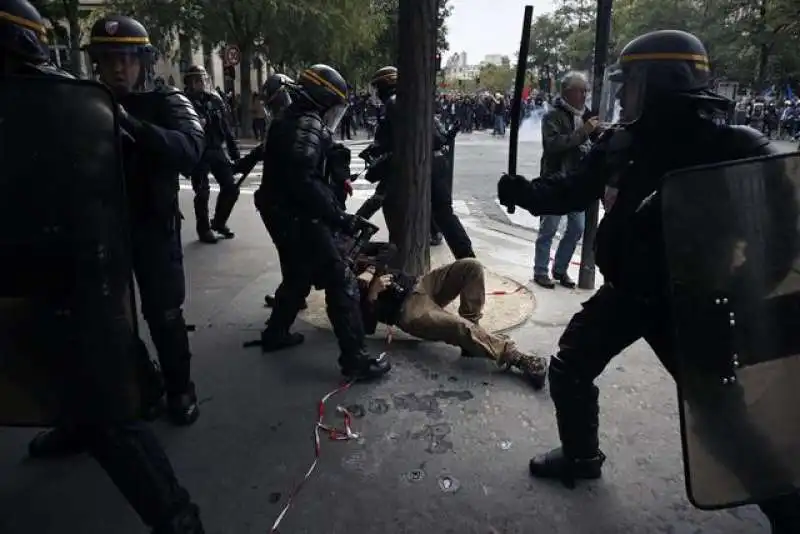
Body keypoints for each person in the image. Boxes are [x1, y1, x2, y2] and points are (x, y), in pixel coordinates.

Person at [497, 29, 800, 532]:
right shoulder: (621, 143)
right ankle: (581, 458)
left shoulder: (735, 146)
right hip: (629, 293)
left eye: (632, 81)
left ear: (660, 82)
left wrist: (749, 286)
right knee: (571, 367)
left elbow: (785, 229)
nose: (624, 94)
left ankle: (789, 512)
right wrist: (525, 192)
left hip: (694, 301)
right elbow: (573, 188)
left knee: (722, 416)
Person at [0, 3, 205, 532]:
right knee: (100, 328)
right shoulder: (66, 100)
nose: (117, 68)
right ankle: (123, 396)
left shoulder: (167, 101)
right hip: (92, 236)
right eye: (107, 58)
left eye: (127, 59)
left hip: (150, 228)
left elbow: (189, 149)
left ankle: (180, 388)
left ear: (144, 62)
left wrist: (131, 125)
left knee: (163, 312)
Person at [249, 64, 391, 381]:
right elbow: (304, 181)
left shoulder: (287, 117)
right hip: (301, 217)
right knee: (340, 280)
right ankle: (355, 360)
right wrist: (338, 217)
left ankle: (276, 333)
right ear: (323, 99)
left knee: (298, 275)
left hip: (281, 214)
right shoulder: (308, 123)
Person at [356, 253, 547, 388]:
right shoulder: (340, 278)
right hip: (407, 310)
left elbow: (388, 249)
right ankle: (516, 358)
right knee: (458, 326)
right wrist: (371, 294)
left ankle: (472, 340)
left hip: (421, 284)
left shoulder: (353, 247)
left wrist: (371, 268)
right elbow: (366, 326)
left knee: (471, 266)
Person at [358, 65, 475, 258]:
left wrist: (374, 152)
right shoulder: (415, 101)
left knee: (386, 202)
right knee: (445, 215)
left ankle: (362, 237)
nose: (377, 93)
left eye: (378, 87)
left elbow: (390, 139)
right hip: (437, 161)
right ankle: (467, 258)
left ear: (386, 86)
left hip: (414, 162)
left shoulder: (394, 103)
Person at [533, 71, 597, 289]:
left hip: (576, 180)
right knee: (549, 227)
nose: (584, 95)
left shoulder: (586, 114)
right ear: (568, 92)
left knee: (576, 227)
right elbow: (553, 145)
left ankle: (560, 268)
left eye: (586, 91)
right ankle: (540, 270)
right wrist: (583, 133)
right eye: (581, 91)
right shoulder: (553, 116)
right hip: (555, 179)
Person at [185, 64, 241, 243]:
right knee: (202, 192)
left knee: (231, 187)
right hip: (199, 152)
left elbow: (225, 126)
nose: (201, 83)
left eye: (203, 79)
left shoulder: (215, 100)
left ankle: (219, 221)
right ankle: (204, 229)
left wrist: (234, 151)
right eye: (197, 80)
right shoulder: (184, 102)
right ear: (190, 83)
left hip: (216, 149)